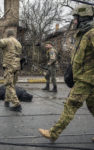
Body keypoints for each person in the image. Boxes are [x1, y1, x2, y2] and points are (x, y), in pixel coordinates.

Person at [39, 4, 94, 142]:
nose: (74, 21)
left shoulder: (92, 33)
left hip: (87, 79)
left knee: (71, 104)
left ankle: (53, 133)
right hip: (85, 78)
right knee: (92, 106)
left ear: (83, 18)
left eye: (76, 18)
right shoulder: (83, 34)